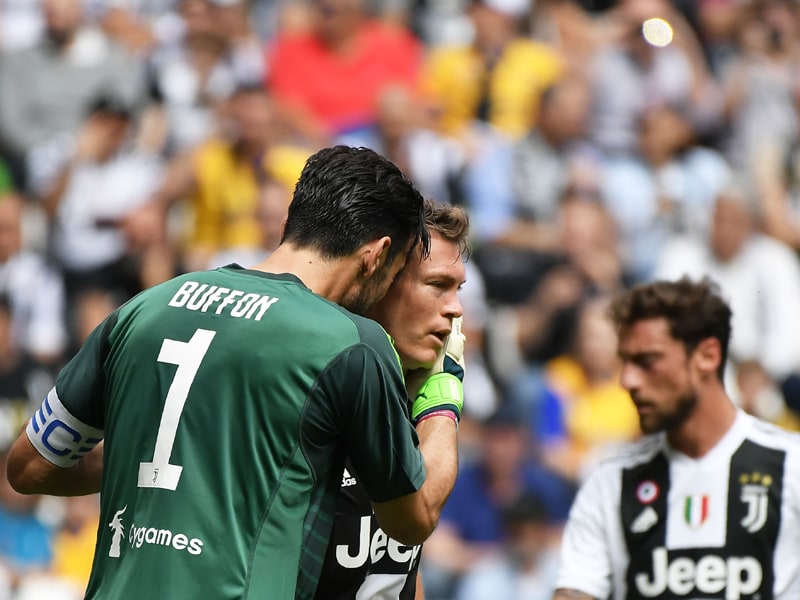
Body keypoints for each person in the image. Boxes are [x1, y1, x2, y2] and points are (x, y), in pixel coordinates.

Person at [6, 145, 463, 600]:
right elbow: (413, 519)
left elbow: (29, 467)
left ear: (289, 225)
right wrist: (445, 393)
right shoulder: (351, 345)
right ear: (378, 255)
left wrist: (178, 458)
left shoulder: (144, 309)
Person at [552, 276, 800, 600]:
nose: (627, 380)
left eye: (646, 361)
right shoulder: (610, 483)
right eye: (624, 362)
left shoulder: (790, 467)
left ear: (707, 356)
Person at [316, 198, 469, 599]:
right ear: (381, 279)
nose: (455, 309)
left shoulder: (411, 401)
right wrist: (443, 398)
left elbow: (400, 571)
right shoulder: (317, 398)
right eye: (437, 285)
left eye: (458, 289)